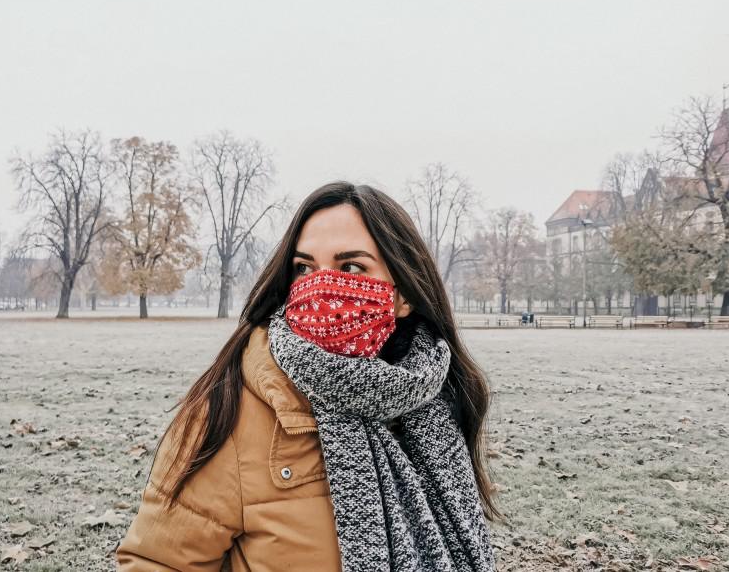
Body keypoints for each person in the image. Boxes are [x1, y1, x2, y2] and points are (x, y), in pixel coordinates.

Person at [116, 181, 501, 572]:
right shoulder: (230, 405)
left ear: (404, 296)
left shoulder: (437, 399)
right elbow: (156, 562)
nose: (321, 286)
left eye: (351, 267)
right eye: (304, 268)